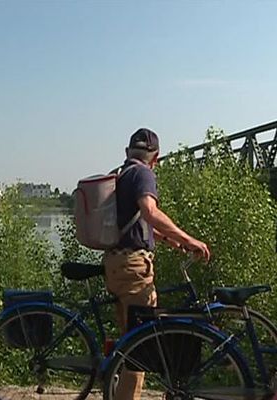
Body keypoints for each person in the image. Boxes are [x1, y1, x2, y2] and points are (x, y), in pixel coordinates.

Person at [104, 128, 211, 400]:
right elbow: (149, 212)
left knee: (130, 343)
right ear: (156, 158)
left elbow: (133, 221)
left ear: (128, 152)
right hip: (134, 268)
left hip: (116, 263)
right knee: (141, 348)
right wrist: (189, 239)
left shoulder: (122, 174)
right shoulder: (143, 173)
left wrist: (167, 239)